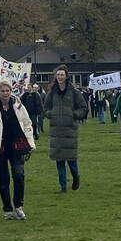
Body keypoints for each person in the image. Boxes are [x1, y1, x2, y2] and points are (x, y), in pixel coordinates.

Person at [0, 81, 35, 220]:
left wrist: (31, 144)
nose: (5, 93)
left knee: (19, 175)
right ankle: (7, 209)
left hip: (17, 146)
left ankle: (18, 206)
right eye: (2, 91)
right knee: (3, 179)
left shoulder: (19, 106)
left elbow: (28, 125)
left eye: (7, 90)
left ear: (11, 91)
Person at [43, 65, 88, 193]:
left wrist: (74, 115)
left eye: (62, 74)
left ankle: (76, 177)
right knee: (59, 161)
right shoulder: (52, 92)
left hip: (70, 130)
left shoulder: (74, 92)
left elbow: (83, 107)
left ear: (66, 76)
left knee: (71, 160)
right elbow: (45, 108)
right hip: (56, 131)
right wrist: (51, 114)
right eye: (58, 75)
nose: (60, 77)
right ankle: (63, 187)